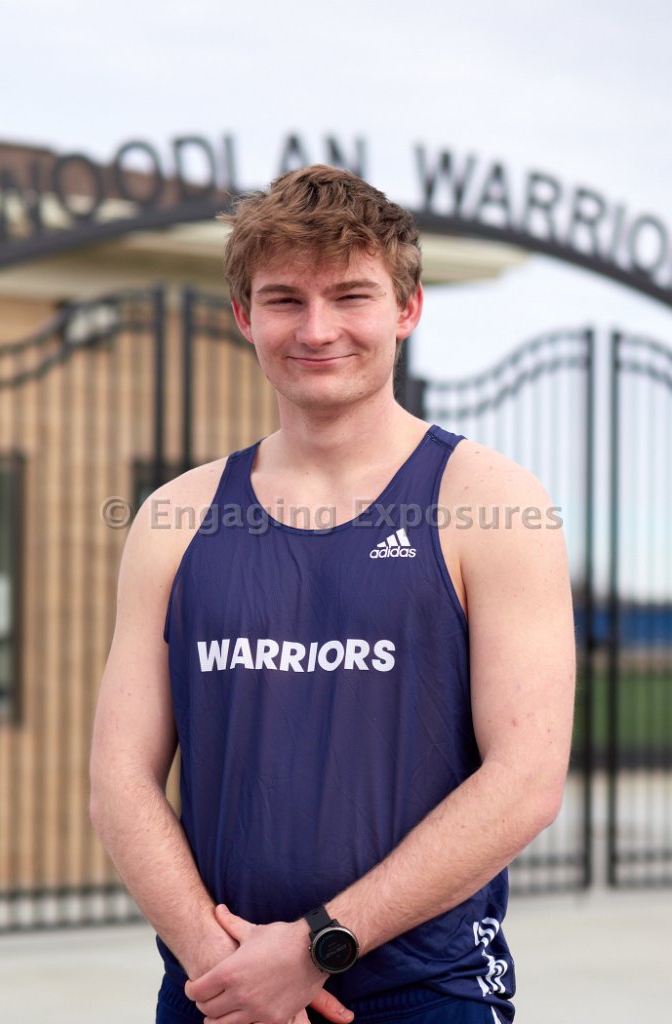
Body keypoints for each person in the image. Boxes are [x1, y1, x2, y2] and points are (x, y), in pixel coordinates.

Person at [90, 165, 575, 1024]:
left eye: (350, 296)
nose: (317, 330)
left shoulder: (488, 501)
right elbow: (120, 779)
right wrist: (227, 969)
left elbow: (526, 780)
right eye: (285, 300)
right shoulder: (175, 516)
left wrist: (318, 946)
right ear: (244, 316)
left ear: (406, 309)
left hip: (427, 991)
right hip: (217, 993)